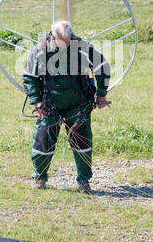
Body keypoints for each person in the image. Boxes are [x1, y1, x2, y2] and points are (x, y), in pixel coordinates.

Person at [23, 20, 111, 194]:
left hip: (78, 105)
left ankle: (84, 182)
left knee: (83, 145)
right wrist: (37, 102)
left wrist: (101, 95)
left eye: (69, 39)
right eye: (63, 40)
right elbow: (30, 76)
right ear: (53, 36)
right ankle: (40, 178)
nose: (67, 43)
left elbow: (102, 67)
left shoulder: (83, 47)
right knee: (42, 144)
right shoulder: (41, 49)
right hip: (49, 105)